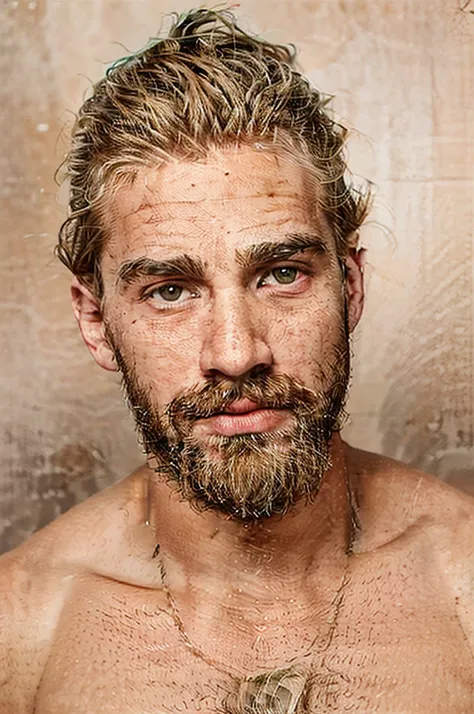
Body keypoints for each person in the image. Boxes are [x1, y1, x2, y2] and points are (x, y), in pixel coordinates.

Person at [1, 8, 473, 713]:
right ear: (97, 322)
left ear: (350, 287)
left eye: (281, 273)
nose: (235, 352)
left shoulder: (464, 587)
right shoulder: (22, 630)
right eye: (169, 290)